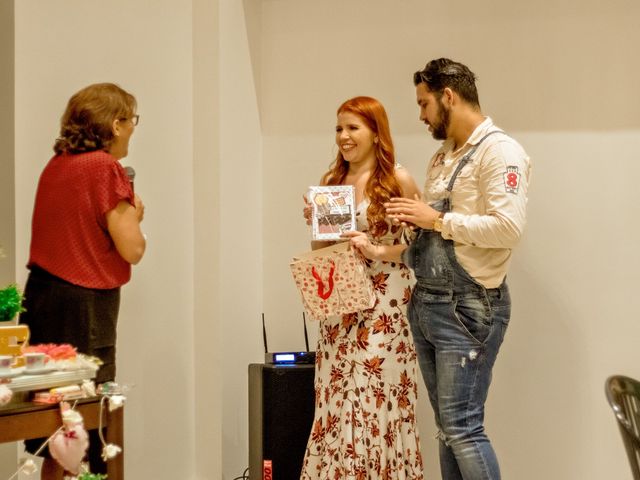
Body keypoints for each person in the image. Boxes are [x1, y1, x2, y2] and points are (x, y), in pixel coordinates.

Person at [385, 58, 531, 480]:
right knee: (448, 432)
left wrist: (435, 220)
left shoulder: (500, 152)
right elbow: (436, 231)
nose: (421, 115)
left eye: (424, 104)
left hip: (468, 308)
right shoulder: (443, 156)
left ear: (448, 96)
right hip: (429, 305)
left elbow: (508, 229)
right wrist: (411, 225)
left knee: (464, 429)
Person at [19, 83, 146, 479]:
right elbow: (133, 250)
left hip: (41, 296)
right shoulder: (103, 167)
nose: (132, 129)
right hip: (84, 305)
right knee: (86, 418)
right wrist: (136, 217)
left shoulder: (56, 165)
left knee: (55, 421)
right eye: (131, 120)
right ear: (116, 123)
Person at [300, 96, 424, 479]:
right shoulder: (331, 181)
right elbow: (323, 251)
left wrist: (377, 250)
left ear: (375, 132)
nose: (344, 136)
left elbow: (421, 247)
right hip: (341, 303)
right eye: (339, 128)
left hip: (385, 305)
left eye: (353, 127)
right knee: (339, 397)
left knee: (374, 396)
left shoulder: (397, 180)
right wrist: (316, 224)